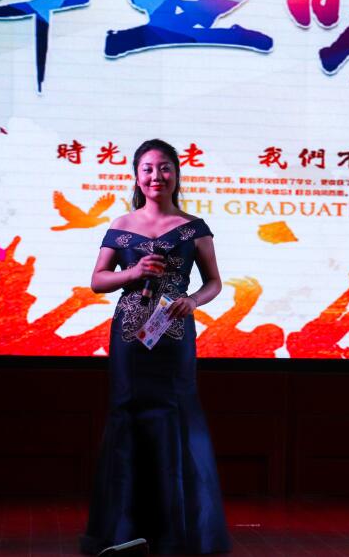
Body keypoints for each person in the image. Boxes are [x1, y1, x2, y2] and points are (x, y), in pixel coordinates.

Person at [81, 139, 230, 555]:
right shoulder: (121, 224)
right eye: (147, 168)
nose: (156, 176)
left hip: (174, 335)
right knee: (127, 414)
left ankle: (178, 529)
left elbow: (214, 282)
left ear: (176, 174)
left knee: (176, 415)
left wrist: (193, 301)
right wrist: (132, 273)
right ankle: (124, 528)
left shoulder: (193, 227)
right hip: (130, 339)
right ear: (136, 175)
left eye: (164, 168)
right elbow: (97, 281)